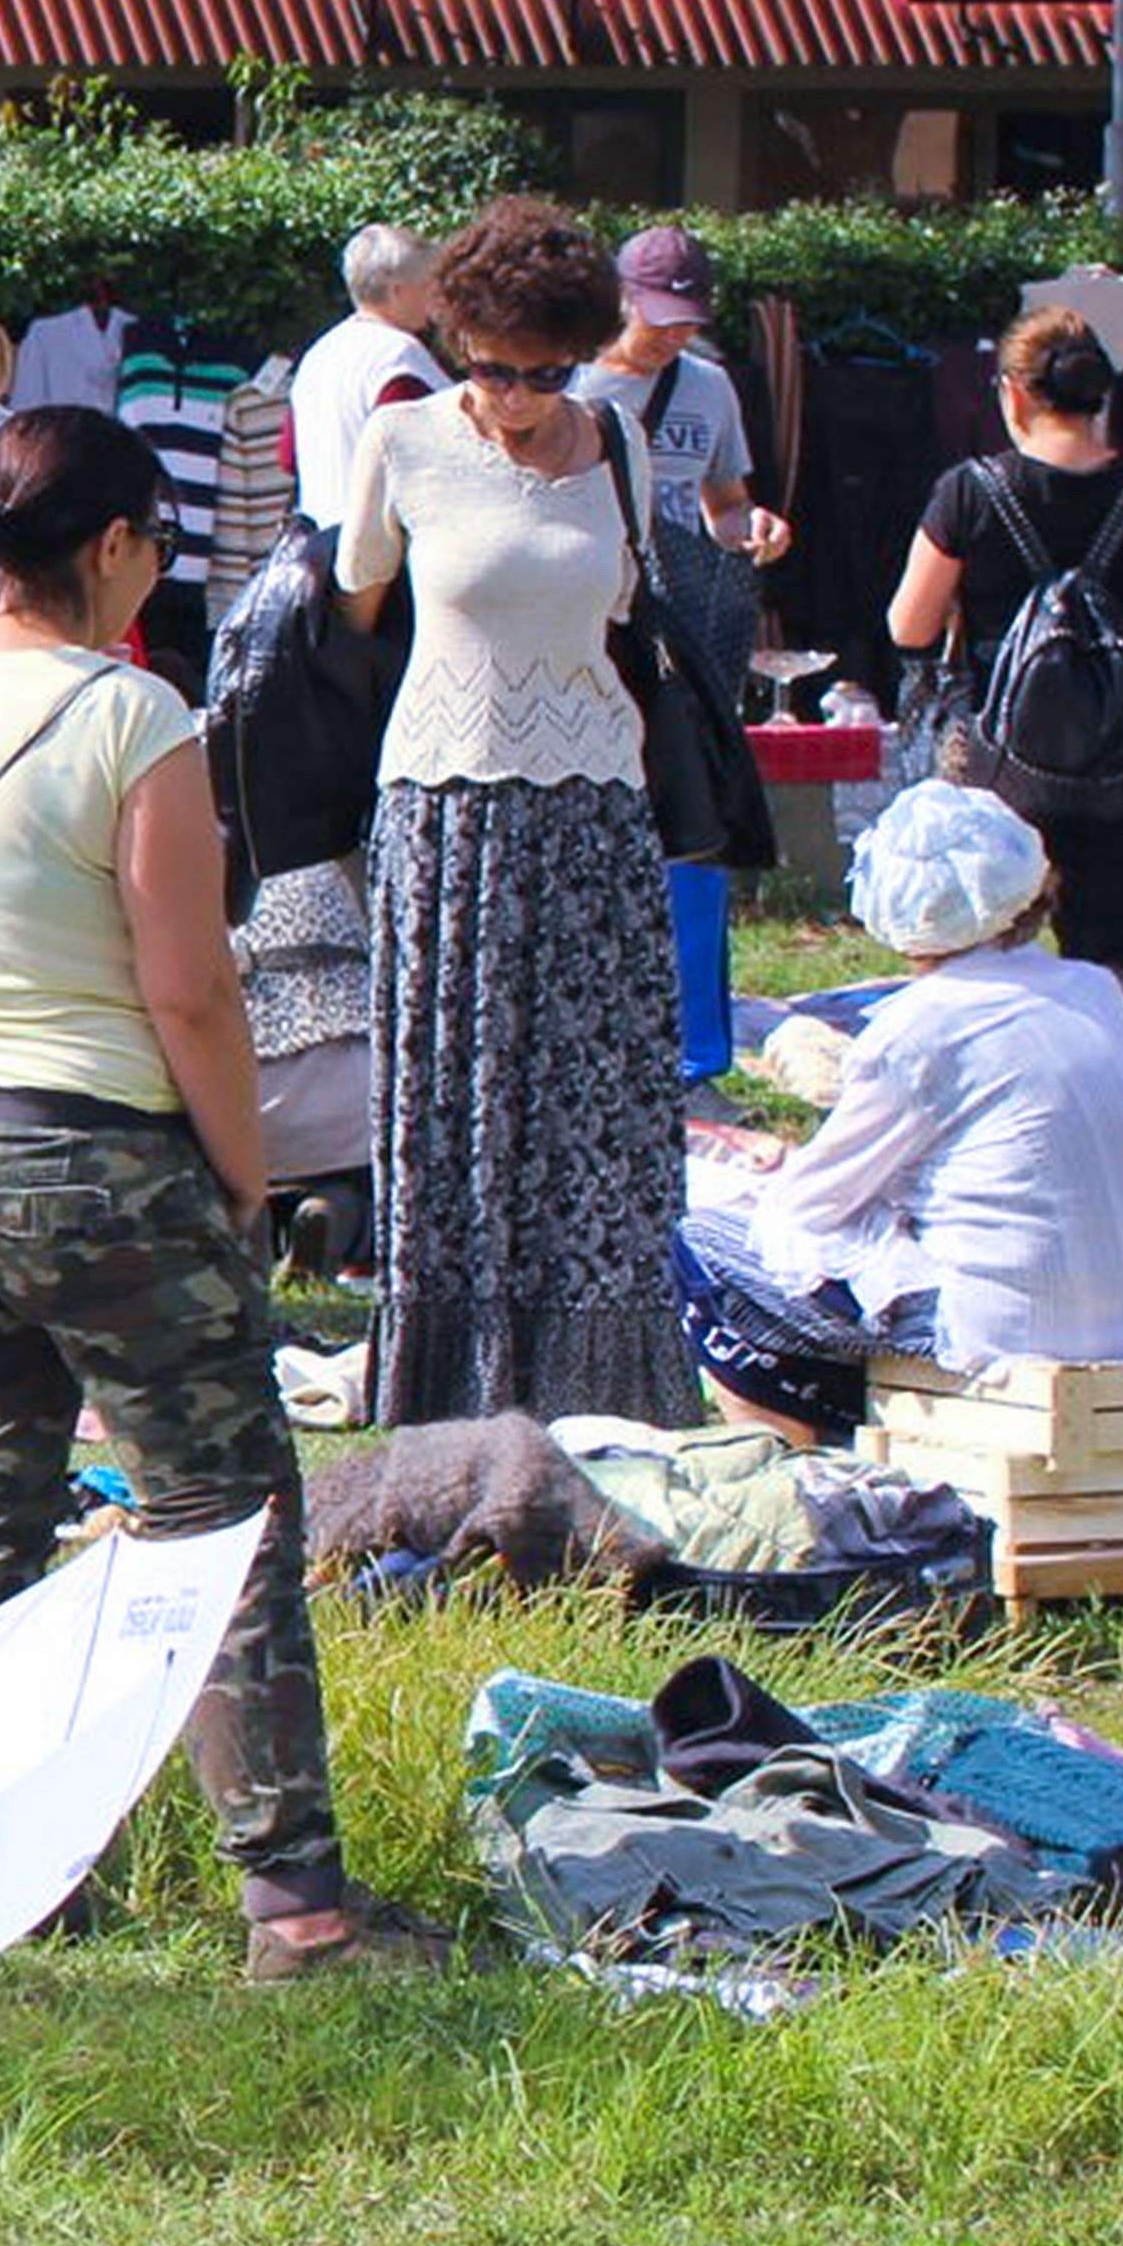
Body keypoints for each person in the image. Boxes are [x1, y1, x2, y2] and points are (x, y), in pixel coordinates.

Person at [0, 406, 426, 1981]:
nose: (161, 571)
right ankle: (299, 1910)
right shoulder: (133, 718)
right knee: (219, 1519)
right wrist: (243, 1177)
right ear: (112, 545)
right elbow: (192, 992)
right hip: (96, 1163)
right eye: (159, 542)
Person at [332, 197, 694, 1424]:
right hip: (448, 810)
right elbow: (358, 613)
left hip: (597, 813)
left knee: (600, 1109)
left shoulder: (619, 443)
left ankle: (606, 1384)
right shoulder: (405, 442)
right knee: (455, 1107)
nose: (523, 395)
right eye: (496, 368)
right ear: (457, 343)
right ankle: (451, 1383)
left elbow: (629, 608)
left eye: (549, 372)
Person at [669, 783, 1123, 1442]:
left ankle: (794, 1456)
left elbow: (810, 1207)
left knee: (703, 1246)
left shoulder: (920, 1029)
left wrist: (778, 1177)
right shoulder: (1096, 988)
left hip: (1027, 1333)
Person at [891, 304, 1123, 1095]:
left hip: (999, 765)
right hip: (1118, 759)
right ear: (1099, 394)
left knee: (980, 943)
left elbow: (908, 625)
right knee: (1116, 947)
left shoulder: (969, 492)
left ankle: (985, 1098)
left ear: (1012, 393)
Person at [580, 226, 787, 1078]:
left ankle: (692, 1039)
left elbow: (724, 504)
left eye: (688, 319)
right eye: (659, 317)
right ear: (621, 300)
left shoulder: (709, 386)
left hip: (682, 645)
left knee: (694, 818)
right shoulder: (568, 383)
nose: (673, 335)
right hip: (591, 635)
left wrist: (754, 527)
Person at [285, 221, 448, 537]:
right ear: (398, 291)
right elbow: (419, 457)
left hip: (318, 540)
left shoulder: (318, 353)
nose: (435, 297)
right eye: (428, 285)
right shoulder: (399, 357)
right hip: (383, 546)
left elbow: (288, 457)